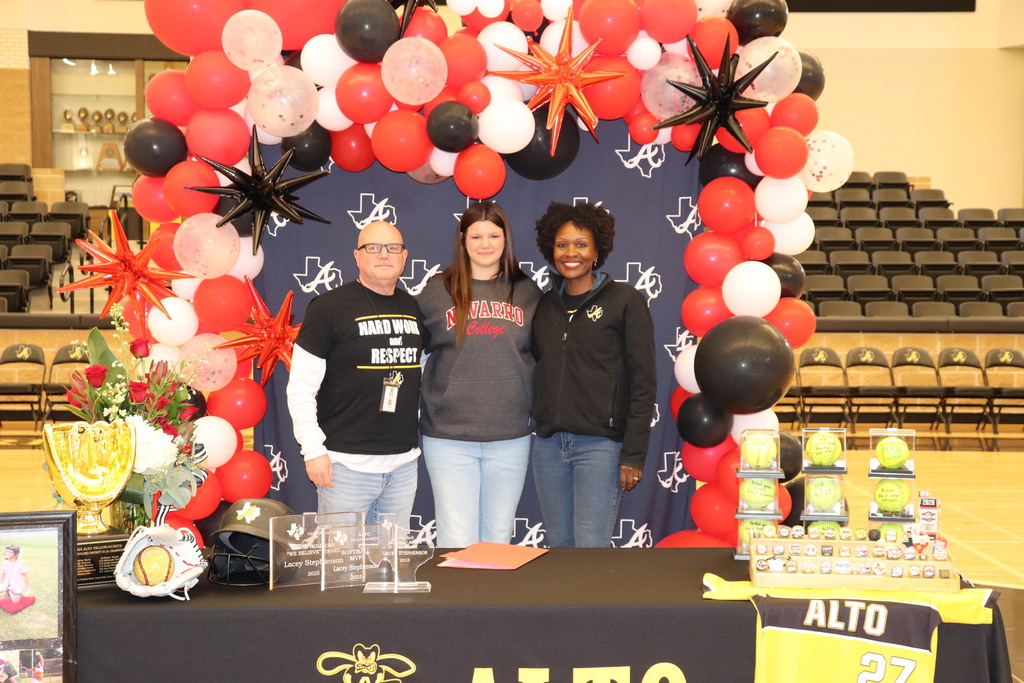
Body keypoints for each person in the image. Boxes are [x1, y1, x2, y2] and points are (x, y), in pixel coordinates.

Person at [530, 201, 656, 548]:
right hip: (549, 447)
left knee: (590, 548)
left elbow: (643, 383)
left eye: (581, 244)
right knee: (558, 547)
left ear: (597, 250)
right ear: (550, 250)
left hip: (601, 447)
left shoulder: (625, 301)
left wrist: (632, 455)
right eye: (562, 244)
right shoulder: (542, 306)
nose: (571, 253)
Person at [287, 221, 427, 530]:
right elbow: (300, 388)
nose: (383, 255)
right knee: (341, 572)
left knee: (390, 570)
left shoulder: (414, 307)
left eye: (393, 248)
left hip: (402, 466)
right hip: (344, 468)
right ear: (357, 256)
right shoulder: (328, 307)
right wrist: (313, 451)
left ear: (404, 257)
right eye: (373, 247)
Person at [418, 202, 541, 547]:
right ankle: (456, 603)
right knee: (456, 536)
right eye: (476, 235)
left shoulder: (527, 292)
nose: (485, 244)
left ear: (506, 240)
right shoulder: (437, 289)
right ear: (463, 240)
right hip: (448, 436)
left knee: (499, 535)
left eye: (493, 235)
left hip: (510, 434)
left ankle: (493, 603)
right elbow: (415, 353)